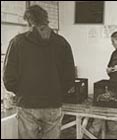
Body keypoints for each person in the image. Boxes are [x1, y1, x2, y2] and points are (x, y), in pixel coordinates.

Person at [3, 5, 75, 139]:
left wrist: (22, 92)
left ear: (29, 22)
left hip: (27, 104)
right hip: (53, 103)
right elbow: (70, 77)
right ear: (46, 20)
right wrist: (58, 93)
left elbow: (8, 79)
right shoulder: (62, 43)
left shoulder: (17, 42)